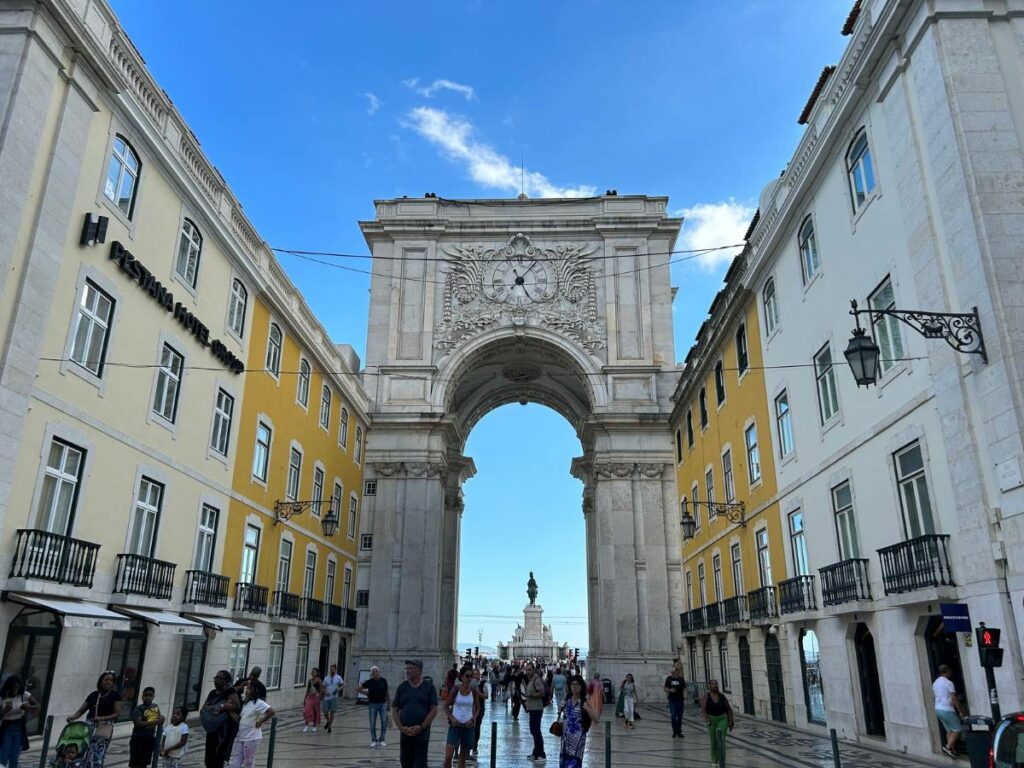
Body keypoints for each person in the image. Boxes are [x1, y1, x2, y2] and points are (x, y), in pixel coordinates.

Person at [67, 670, 122, 768]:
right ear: (101, 681)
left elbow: (117, 714)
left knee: (98, 754)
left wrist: (102, 718)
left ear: (113, 683)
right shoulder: (94, 695)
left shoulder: (115, 696)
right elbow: (81, 710)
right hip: (89, 726)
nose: (108, 682)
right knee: (85, 752)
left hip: (104, 726)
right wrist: (73, 717)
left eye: (111, 680)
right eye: (106, 680)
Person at [392, 659, 439, 768]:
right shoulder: (402, 687)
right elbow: (395, 709)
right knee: (405, 763)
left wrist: (422, 727)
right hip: (405, 734)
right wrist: (401, 727)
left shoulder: (429, 687)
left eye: (411, 668)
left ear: (419, 670)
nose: (408, 671)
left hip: (421, 734)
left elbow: (434, 710)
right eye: (407, 668)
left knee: (420, 764)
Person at [556, 675, 599, 768]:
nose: (574, 687)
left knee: (574, 763)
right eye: (572, 684)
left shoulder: (585, 700)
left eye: (576, 684)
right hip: (565, 737)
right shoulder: (567, 698)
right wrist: (560, 709)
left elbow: (596, 719)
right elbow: (563, 716)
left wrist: (587, 708)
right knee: (564, 762)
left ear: (581, 686)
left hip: (578, 739)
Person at [200, 670, 240, 768]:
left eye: (220, 678)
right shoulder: (212, 693)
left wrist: (221, 706)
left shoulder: (230, 691)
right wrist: (215, 708)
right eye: (216, 678)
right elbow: (205, 707)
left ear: (226, 681)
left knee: (219, 756)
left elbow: (236, 705)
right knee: (209, 757)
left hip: (224, 729)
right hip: (212, 728)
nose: (217, 680)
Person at [229, 681, 274, 768]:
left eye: (249, 688)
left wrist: (261, 721)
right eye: (246, 688)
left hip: (251, 738)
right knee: (235, 763)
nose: (246, 691)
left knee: (248, 763)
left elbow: (271, 711)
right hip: (242, 737)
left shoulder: (258, 703)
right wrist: (229, 710)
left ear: (254, 690)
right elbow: (239, 719)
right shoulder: (246, 703)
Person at [443, 669, 479, 768]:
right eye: (467, 676)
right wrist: (451, 718)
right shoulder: (455, 690)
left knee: (462, 757)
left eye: (471, 676)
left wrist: (473, 719)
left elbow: (477, 708)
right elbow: (445, 706)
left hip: (468, 727)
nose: (469, 678)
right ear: (462, 677)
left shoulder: (474, 691)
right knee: (448, 756)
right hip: (455, 726)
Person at [0, 675, 38, 768]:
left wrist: (28, 707)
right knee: (3, 755)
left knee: (14, 756)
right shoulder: (3, 697)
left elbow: (37, 705)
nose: (14, 690)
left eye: (16, 687)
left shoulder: (24, 695)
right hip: (7, 727)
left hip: (19, 726)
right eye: (12, 687)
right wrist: (5, 710)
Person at [933, 664, 966, 758]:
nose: (951, 673)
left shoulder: (935, 682)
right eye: (950, 671)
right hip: (947, 709)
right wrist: (960, 710)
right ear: (946, 671)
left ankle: (953, 751)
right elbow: (954, 697)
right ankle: (948, 747)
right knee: (958, 729)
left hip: (938, 708)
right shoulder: (949, 683)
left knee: (949, 730)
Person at [700, 679, 734, 768]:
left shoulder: (722, 696)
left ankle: (722, 759)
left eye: (716, 684)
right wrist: (707, 719)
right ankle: (714, 760)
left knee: (721, 738)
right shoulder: (706, 696)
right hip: (711, 719)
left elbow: (728, 709)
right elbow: (703, 709)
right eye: (712, 684)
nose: (715, 686)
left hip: (722, 719)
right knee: (713, 740)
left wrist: (730, 720)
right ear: (709, 686)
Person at [128, 686, 164, 768]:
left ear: (153, 696)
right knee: (135, 763)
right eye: (146, 695)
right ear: (142, 696)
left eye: (150, 695)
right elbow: (138, 722)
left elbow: (159, 718)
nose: (148, 697)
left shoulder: (155, 707)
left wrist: (161, 718)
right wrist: (156, 721)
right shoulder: (139, 708)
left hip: (149, 738)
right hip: (138, 738)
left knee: (144, 763)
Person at [357, 665, 390, 747]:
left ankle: (382, 739)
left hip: (383, 704)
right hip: (372, 704)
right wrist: (365, 693)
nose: (376, 673)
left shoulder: (383, 681)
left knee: (384, 722)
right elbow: (358, 688)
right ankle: (374, 740)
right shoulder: (369, 682)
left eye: (377, 671)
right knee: (372, 723)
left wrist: (389, 703)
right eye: (374, 672)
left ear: (379, 672)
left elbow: (387, 692)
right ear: (372, 674)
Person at [523, 663, 548, 761]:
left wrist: (531, 695)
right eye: (527, 670)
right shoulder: (531, 679)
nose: (528, 672)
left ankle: (541, 754)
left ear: (534, 670)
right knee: (533, 731)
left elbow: (542, 692)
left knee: (536, 731)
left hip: (537, 709)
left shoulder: (536, 679)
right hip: (532, 708)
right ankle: (535, 752)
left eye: (530, 670)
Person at [663, 663, 687, 738]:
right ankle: (674, 731)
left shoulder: (681, 679)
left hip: (680, 699)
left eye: (673, 672)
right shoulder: (669, 679)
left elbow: (684, 688)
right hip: (672, 700)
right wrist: (670, 690)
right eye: (671, 672)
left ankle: (679, 731)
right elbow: (665, 688)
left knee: (680, 716)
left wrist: (685, 697)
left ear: (677, 672)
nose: (672, 673)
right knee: (673, 715)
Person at [321, 665, 344, 734]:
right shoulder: (326, 678)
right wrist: (325, 692)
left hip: (334, 697)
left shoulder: (338, 677)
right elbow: (323, 687)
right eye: (331, 669)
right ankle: (328, 721)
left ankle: (330, 727)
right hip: (327, 697)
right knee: (325, 712)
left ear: (335, 670)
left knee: (332, 713)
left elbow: (343, 685)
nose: (332, 670)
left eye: (333, 669)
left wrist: (338, 689)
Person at [302, 668, 323, 733]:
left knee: (315, 711)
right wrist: (305, 699)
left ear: (317, 673)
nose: (312, 673)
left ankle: (314, 725)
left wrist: (319, 697)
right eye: (312, 672)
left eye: (314, 672)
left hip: (316, 697)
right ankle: (306, 725)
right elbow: (308, 690)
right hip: (310, 697)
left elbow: (321, 690)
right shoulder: (309, 681)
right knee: (307, 711)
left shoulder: (319, 681)